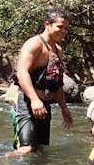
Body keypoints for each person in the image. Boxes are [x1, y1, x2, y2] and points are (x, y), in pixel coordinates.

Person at [11, 8, 73, 154]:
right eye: (60, 27)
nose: (63, 31)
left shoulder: (58, 50)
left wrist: (64, 108)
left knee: (40, 150)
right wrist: (34, 100)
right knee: (27, 149)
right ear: (47, 24)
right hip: (26, 102)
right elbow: (22, 72)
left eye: (66, 28)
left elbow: (57, 81)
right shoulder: (34, 44)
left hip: (44, 105)